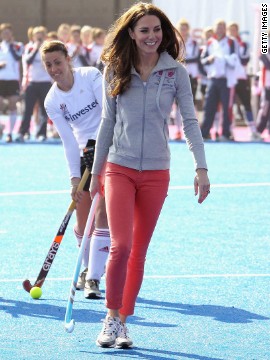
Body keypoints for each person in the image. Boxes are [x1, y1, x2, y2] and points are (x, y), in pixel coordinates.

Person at [89, 2, 210, 349]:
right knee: (121, 245)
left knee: (138, 252)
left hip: (157, 172)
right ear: (131, 33)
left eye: (157, 30)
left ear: (164, 33)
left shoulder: (176, 73)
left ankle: (124, 322)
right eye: (144, 30)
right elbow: (107, 122)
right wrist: (96, 174)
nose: (151, 36)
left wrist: (200, 167)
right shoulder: (114, 68)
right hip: (119, 167)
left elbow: (189, 121)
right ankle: (110, 318)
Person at [41, 40, 110, 298]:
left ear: (68, 59)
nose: (54, 68)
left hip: (109, 148)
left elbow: (108, 113)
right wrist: (74, 178)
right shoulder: (52, 100)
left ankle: (93, 277)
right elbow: (68, 141)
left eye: (57, 62)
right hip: (84, 155)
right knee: (83, 223)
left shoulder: (90, 76)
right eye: (48, 64)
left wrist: (100, 148)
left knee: (101, 213)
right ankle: (88, 267)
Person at [200, 19, 238, 141]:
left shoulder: (231, 42)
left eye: (222, 27)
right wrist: (209, 59)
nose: (220, 29)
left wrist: (223, 59)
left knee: (227, 108)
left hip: (226, 80)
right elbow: (203, 61)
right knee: (209, 107)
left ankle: (225, 133)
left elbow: (235, 60)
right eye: (218, 27)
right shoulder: (210, 42)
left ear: (225, 29)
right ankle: (205, 133)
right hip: (212, 79)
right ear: (215, 29)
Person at [16, 26, 52, 142]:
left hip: (45, 82)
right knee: (28, 109)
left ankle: (42, 133)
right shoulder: (29, 47)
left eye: (41, 34)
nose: (39, 36)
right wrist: (36, 48)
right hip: (32, 82)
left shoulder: (48, 48)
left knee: (43, 109)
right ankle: (23, 132)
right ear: (33, 36)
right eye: (37, 34)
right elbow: (27, 61)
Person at [227, 22, 262, 141]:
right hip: (230, 80)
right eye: (230, 30)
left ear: (237, 31)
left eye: (234, 30)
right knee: (230, 106)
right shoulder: (226, 44)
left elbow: (245, 60)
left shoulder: (244, 44)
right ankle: (229, 130)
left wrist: (235, 51)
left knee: (246, 104)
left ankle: (253, 131)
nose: (232, 32)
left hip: (241, 79)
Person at [0, 23, 24, 143]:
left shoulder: (18, 46)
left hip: (13, 80)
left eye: (8, 32)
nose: (6, 34)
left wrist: (10, 46)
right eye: (4, 32)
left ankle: (9, 133)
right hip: (1, 80)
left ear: (11, 34)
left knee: (12, 105)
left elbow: (17, 58)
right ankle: (1, 128)